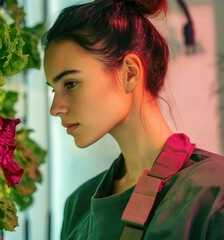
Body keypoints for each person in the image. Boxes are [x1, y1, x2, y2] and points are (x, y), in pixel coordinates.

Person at [42, 0, 224, 239]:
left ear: (130, 72)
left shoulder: (213, 192)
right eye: (54, 89)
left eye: (71, 84)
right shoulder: (78, 205)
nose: (55, 108)